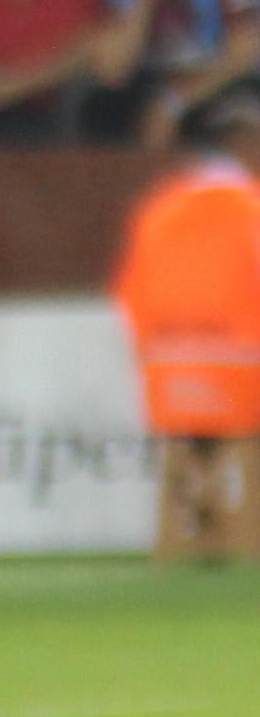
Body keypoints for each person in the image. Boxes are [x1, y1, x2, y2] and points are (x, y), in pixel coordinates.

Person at [113, 114, 260, 562]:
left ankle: (191, 531)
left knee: (192, 443)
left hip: (168, 372)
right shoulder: (250, 208)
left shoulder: (159, 210)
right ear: (243, 147)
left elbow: (129, 293)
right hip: (240, 371)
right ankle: (239, 534)